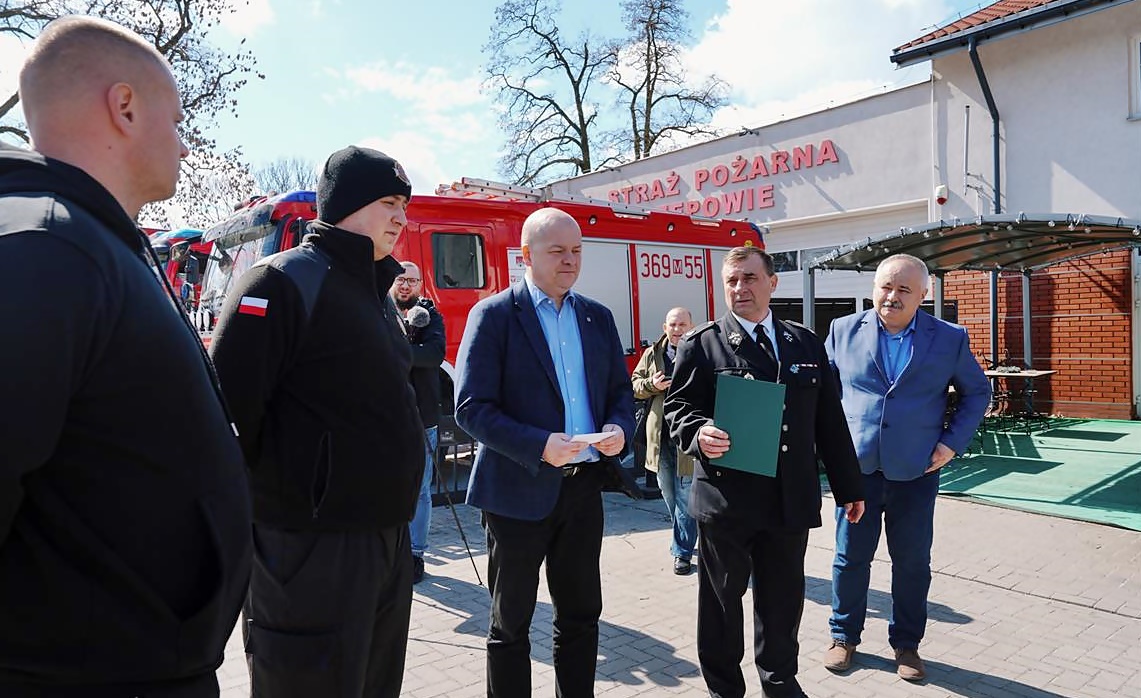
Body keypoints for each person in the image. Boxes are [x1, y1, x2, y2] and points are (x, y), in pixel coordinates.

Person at [0, 16, 251, 697]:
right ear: (125, 106)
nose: (185, 140)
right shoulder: (46, 249)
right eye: (176, 119)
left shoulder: (93, 246)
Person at [209, 145, 425, 697]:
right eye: (387, 201)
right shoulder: (278, 282)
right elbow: (227, 425)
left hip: (386, 542)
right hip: (309, 553)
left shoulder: (377, 292)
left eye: (404, 202)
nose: (401, 215)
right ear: (347, 205)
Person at [664, 245, 865, 698]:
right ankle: (724, 689)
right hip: (728, 500)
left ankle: (779, 682)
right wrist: (699, 434)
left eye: (750, 278)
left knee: (782, 603)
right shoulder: (703, 343)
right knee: (721, 606)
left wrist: (849, 486)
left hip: (788, 499)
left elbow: (828, 420)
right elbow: (677, 409)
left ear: (772, 284)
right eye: (732, 280)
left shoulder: (804, 342)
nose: (740, 288)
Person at [455, 207, 635, 698]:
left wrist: (620, 426)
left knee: (580, 615)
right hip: (516, 494)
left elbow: (621, 391)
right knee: (510, 623)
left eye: (576, 251)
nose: (569, 260)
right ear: (525, 255)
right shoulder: (493, 316)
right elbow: (470, 407)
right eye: (557, 251)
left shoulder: (597, 317)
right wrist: (539, 446)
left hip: (582, 493)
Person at [822, 253, 990, 681]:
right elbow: (820, 392)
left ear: (924, 295)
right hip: (856, 471)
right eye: (885, 286)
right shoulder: (843, 330)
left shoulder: (949, 338)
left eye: (904, 289)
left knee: (912, 562)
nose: (892, 296)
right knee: (849, 558)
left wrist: (952, 443)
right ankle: (843, 637)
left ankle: (907, 645)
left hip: (916, 473)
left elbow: (977, 393)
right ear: (873, 287)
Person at [632, 306, 699, 575]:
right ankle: (686, 533)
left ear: (690, 327)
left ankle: (681, 552)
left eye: (682, 324)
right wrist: (652, 385)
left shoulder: (700, 353)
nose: (677, 329)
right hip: (659, 439)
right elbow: (635, 385)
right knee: (668, 494)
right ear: (664, 327)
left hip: (687, 440)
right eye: (673, 325)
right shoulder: (652, 354)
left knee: (684, 496)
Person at [391, 260, 446, 584]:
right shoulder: (380, 308)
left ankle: (415, 554)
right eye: (401, 279)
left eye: (412, 280)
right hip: (387, 419)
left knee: (420, 490)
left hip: (422, 418)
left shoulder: (428, 314)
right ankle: (391, 550)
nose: (406, 285)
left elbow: (434, 354)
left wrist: (396, 350)